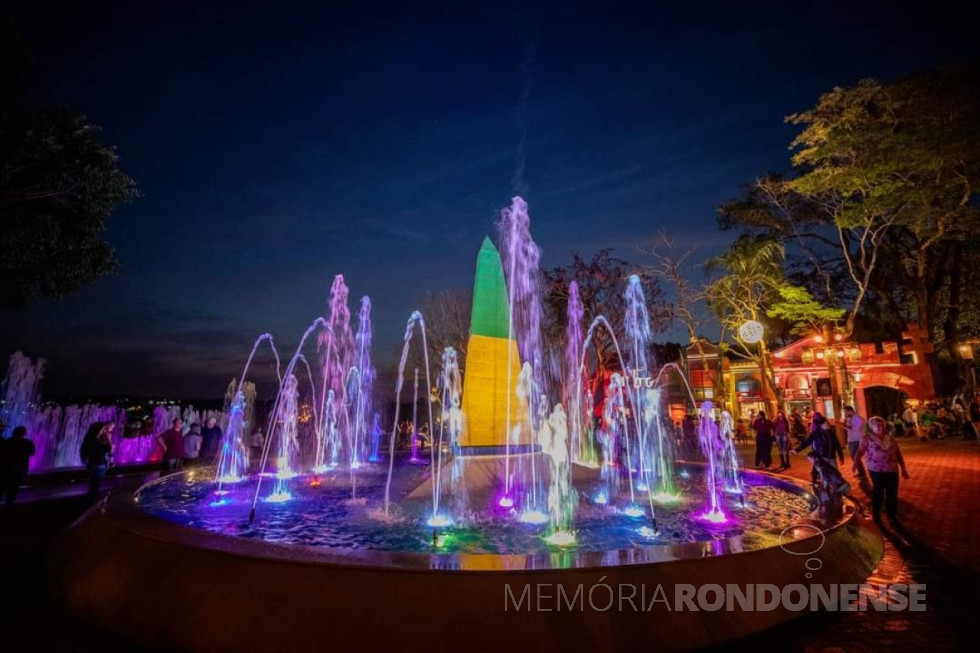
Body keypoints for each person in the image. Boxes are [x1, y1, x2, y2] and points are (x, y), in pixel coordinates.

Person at [854, 416, 910, 525]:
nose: (881, 427)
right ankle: (876, 513)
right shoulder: (867, 438)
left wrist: (903, 468)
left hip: (892, 470)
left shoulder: (890, 438)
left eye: (882, 425)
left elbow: (897, 453)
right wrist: (855, 463)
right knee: (878, 492)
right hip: (876, 470)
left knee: (892, 493)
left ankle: (892, 515)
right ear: (872, 427)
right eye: (878, 425)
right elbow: (860, 452)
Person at [792, 412, 845, 489]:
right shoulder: (816, 433)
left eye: (827, 422)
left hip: (832, 457)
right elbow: (807, 442)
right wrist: (796, 450)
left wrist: (841, 455)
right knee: (824, 475)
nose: (827, 424)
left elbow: (836, 444)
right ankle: (825, 490)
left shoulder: (831, 432)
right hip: (823, 457)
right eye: (825, 423)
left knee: (835, 474)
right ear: (821, 425)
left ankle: (835, 489)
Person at [0, 426, 35, 506]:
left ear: (14, 432)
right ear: (24, 433)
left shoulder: (7, 441)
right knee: (13, 489)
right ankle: (8, 508)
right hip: (20, 468)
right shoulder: (28, 443)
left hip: (7, 468)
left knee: (3, 486)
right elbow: (32, 453)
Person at [80, 421, 114, 498]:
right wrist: (108, 439)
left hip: (94, 465)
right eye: (101, 429)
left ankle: (91, 500)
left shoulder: (90, 440)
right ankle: (92, 503)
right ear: (97, 430)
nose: (103, 431)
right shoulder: (95, 441)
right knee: (95, 486)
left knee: (93, 485)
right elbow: (109, 449)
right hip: (98, 465)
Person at [843, 406, 867, 480]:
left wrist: (845, 425)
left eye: (846, 411)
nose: (845, 413)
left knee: (855, 456)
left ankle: (862, 473)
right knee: (854, 456)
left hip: (857, 440)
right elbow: (849, 429)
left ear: (850, 411)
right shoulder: (849, 419)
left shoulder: (857, 418)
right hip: (851, 440)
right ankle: (861, 472)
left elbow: (856, 429)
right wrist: (844, 425)